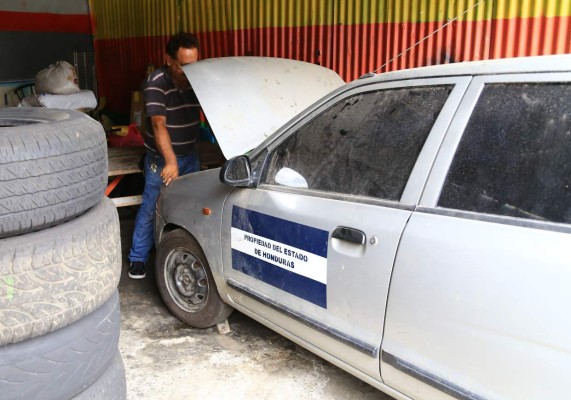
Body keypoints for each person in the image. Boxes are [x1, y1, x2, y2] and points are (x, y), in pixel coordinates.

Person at [128, 32, 202, 279]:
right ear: (168, 59)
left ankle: (186, 252)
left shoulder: (199, 78)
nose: (190, 72)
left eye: (194, 64)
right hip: (163, 160)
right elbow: (159, 124)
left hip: (190, 155)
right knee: (151, 206)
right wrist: (170, 161)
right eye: (183, 66)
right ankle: (137, 258)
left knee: (192, 208)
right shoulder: (155, 82)